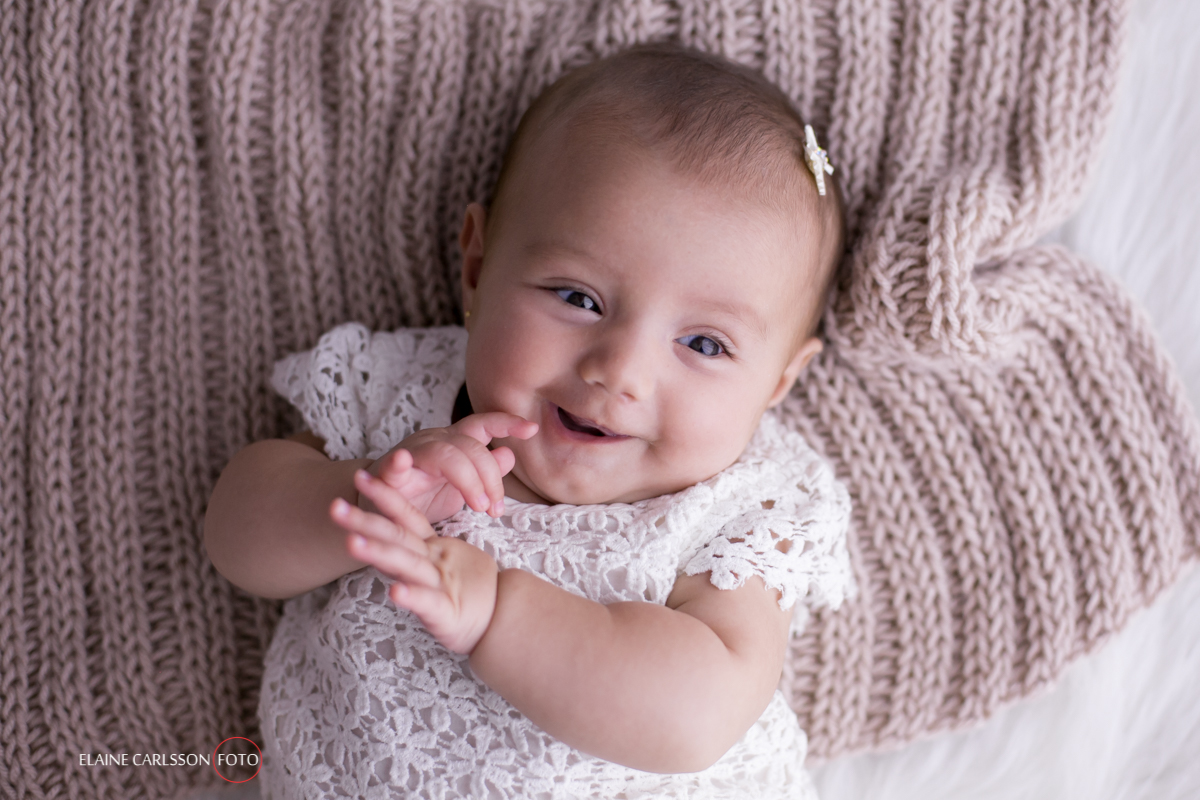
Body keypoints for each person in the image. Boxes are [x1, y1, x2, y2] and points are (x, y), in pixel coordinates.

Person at [204, 42, 853, 799]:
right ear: (478, 268)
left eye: (704, 344)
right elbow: (235, 538)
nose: (620, 371)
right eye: (578, 298)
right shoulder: (400, 400)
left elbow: (698, 717)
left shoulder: (743, 510)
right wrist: (359, 499)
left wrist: (498, 614)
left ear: (778, 382)